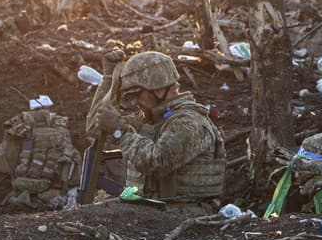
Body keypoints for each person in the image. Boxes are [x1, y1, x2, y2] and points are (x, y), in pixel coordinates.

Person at [88, 51, 225, 205]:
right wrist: (109, 80)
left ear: (159, 90)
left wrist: (120, 131)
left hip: (184, 213)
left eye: (136, 94)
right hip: (150, 211)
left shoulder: (189, 122)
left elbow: (157, 162)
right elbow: (96, 127)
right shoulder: (150, 119)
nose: (134, 103)